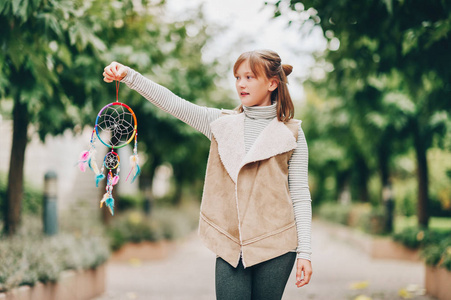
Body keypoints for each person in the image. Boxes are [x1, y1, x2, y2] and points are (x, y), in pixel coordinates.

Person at [103, 49, 313, 300]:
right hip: (230, 244)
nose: (241, 84)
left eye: (249, 77)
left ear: (272, 83)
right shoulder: (220, 124)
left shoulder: (293, 134)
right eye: (237, 77)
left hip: (276, 244)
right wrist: (129, 76)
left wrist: (305, 252)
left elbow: (300, 195)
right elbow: (173, 103)